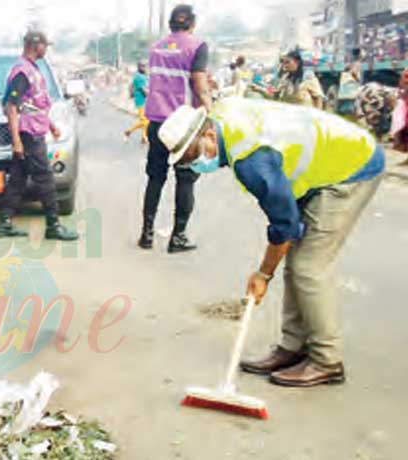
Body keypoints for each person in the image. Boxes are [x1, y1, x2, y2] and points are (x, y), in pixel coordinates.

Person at [160, 98, 384, 387]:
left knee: (308, 266)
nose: (195, 164)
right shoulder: (224, 119)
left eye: (192, 155)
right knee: (297, 262)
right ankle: (293, 348)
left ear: (209, 135)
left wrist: (263, 274)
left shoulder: (251, 160)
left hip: (351, 166)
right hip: (326, 160)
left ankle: (327, 361)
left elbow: (285, 226)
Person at [139, 4, 211, 253]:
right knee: (185, 179)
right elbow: (200, 87)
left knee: (155, 178)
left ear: (170, 24)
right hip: (182, 125)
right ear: (191, 24)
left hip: (157, 122)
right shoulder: (197, 46)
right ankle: (178, 237)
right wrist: (211, 113)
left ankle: (146, 234)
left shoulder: (156, 48)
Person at [0, 31, 78, 242]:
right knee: (45, 179)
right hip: (28, 134)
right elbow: (11, 107)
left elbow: (34, 105)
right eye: (44, 45)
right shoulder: (22, 71)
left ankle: (4, 223)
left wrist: (50, 125)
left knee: (18, 179)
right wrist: (16, 142)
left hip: (34, 130)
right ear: (35, 45)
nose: (46, 49)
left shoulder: (33, 69)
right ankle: (53, 225)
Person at [124, 61, 150, 144]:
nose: (144, 68)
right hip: (140, 101)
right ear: (138, 67)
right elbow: (144, 91)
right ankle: (129, 131)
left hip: (145, 101)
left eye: (145, 66)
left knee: (146, 120)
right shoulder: (138, 77)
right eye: (142, 66)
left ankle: (143, 137)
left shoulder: (145, 76)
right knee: (145, 121)